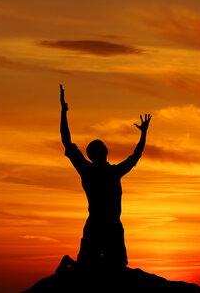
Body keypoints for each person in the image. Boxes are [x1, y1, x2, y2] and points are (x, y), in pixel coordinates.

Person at [59, 84, 151, 268]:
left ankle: (73, 265)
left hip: (111, 227)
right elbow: (66, 141)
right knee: (90, 267)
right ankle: (68, 264)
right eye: (101, 147)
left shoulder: (101, 170)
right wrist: (63, 112)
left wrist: (143, 134)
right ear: (102, 152)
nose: (104, 148)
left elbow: (135, 157)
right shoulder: (100, 171)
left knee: (111, 266)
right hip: (100, 226)